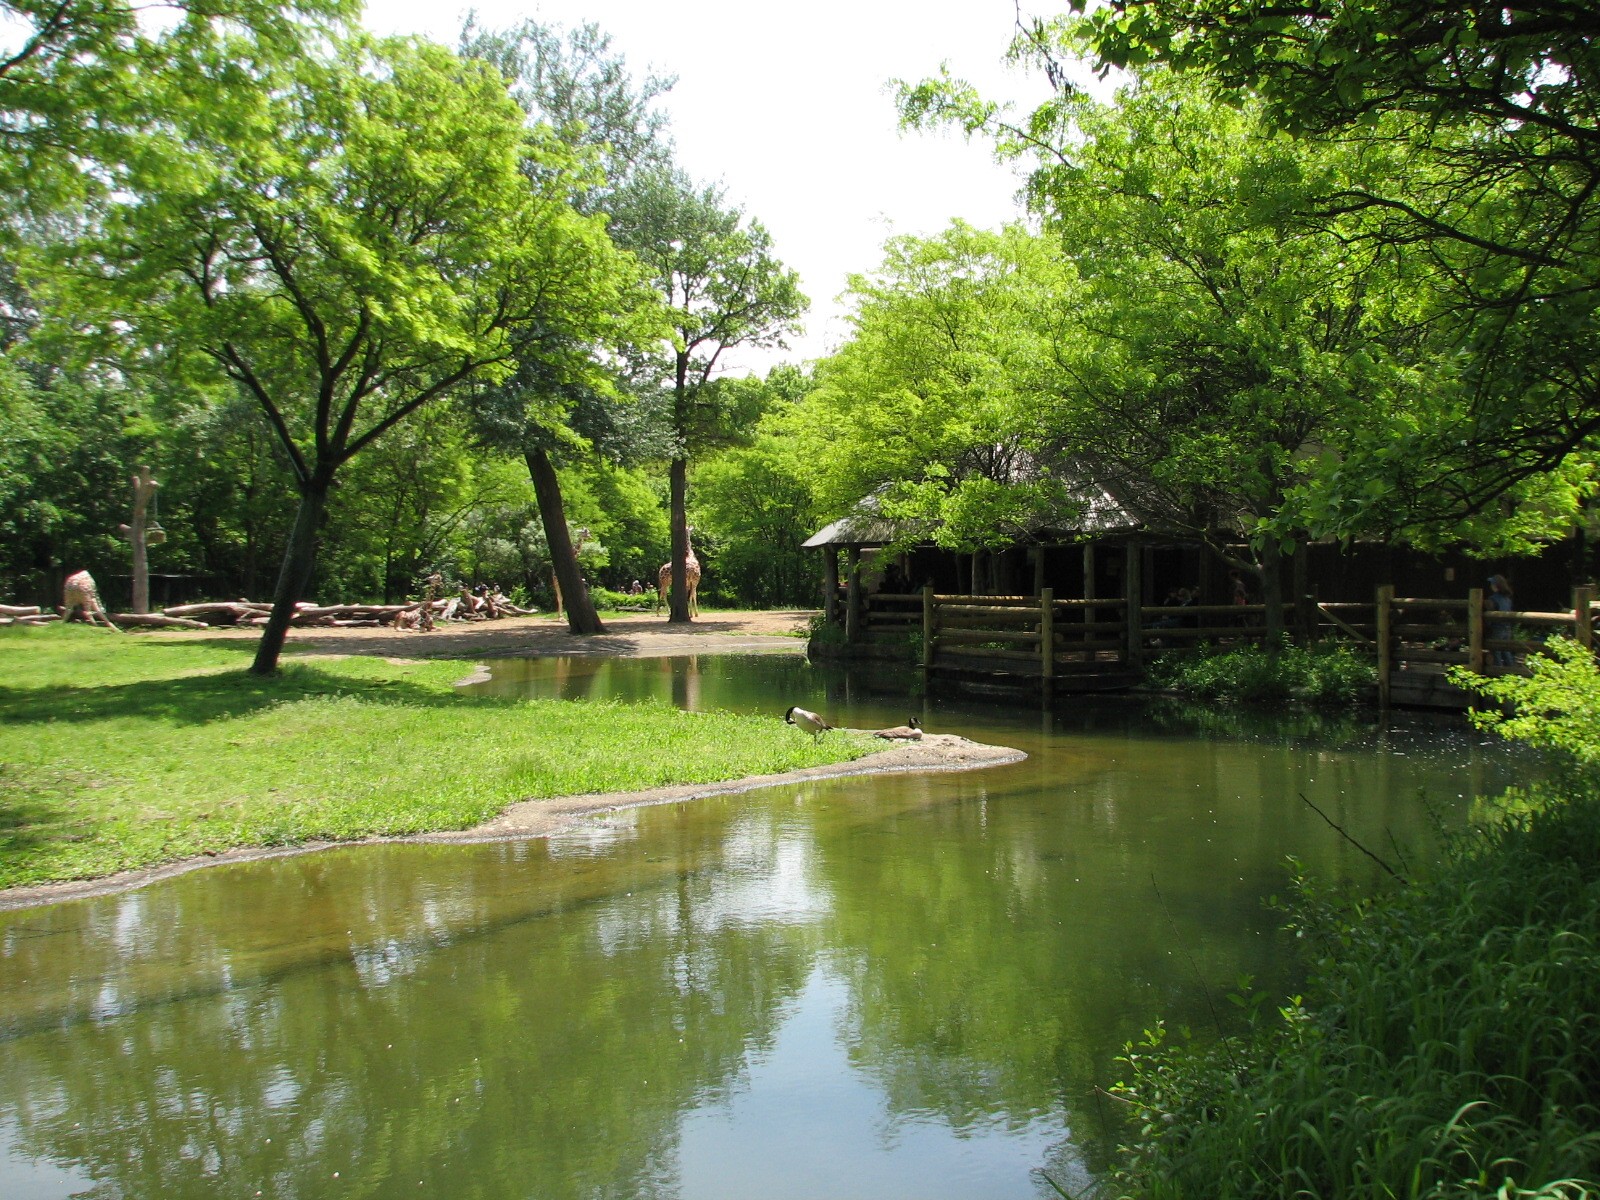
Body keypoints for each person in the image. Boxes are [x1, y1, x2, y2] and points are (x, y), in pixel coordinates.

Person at [1487, 574, 1516, 666]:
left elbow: (1490, 616)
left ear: (1495, 586)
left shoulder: (1493, 599)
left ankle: (1498, 671)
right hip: (1507, 628)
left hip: (1497, 628)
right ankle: (1511, 670)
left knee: (1496, 650)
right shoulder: (1507, 599)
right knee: (1506, 650)